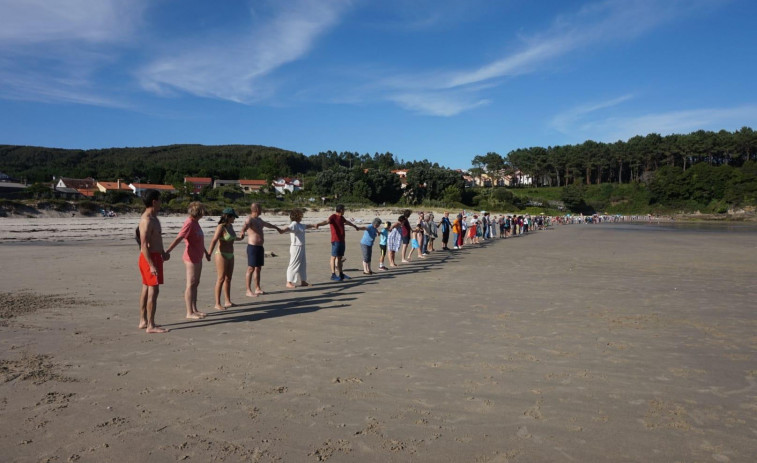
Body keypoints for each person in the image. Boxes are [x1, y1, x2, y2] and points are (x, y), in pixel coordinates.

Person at [166, 201, 210, 320]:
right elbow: (180, 237)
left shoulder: (196, 223)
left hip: (198, 256)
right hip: (190, 258)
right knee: (190, 284)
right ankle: (189, 312)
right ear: (198, 211)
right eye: (202, 210)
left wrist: (206, 253)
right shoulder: (189, 223)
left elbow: (199, 241)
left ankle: (195, 309)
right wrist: (168, 251)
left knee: (196, 283)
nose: (204, 212)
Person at [136, 189, 170, 334]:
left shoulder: (154, 218)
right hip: (149, 258)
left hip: (156, 256)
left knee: (146, 288)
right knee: (153, 291)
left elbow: (156, 239)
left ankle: (143, 321)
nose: (162, 202)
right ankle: (151, 325)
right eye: (160, 200)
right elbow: (143, 245)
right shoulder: (147, 220)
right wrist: (151, 265)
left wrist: (162, 252)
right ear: (154, 201)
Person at [239, 203, 281, 297]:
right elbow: (245, 226)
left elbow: (267, 224)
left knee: (258, 268)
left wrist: (277, 228)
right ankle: (248, 290)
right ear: (257, 209)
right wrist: (242, 232)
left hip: (260, 247)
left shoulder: (259, 220)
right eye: (261, 208)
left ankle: (257, 288)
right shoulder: (250, 219)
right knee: (251, 268)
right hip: (252, 247)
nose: (262, 210)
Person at [315, 204, 364, 281]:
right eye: (344, 209)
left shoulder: (341, 217)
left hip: (342, 240)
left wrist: (354, 226)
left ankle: (341, 274)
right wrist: (319, 224)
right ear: (341, 210)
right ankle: (333, 274)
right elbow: (326, 221)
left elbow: (347, 222)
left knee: (339, 257)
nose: (344, 211)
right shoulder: (333, 217)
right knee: (333, 257)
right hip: (335, 240)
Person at [207, 207, 241, 311]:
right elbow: (214, 240)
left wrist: (241, 237)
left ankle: (228, 301)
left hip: (231, 254)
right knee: (221, 278)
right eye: (233, 217)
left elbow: (234, 238)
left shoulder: (230, 226)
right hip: (221, 254)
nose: (234, 219)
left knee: (228, 278)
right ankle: (217, 303)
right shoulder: (221, 227)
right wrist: (209, 253)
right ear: (228, 216)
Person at [279, 208, 316, 288]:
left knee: (303, 264)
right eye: (300, 215)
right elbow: (288, 228)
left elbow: (306, 226)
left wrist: (313, 225)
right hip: (296, 247)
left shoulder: (300, 224)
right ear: (297, 216)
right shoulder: (294, 224)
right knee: (293, 264)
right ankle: (288, 282)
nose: (302, 216)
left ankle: (303, 281)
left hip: (301, 246)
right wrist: (282, 230)